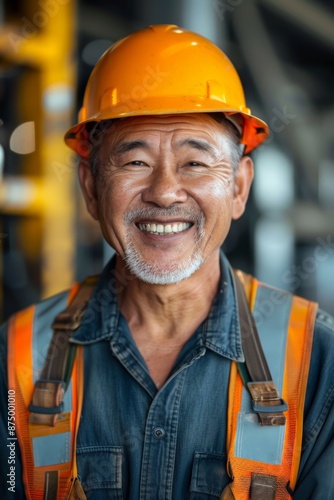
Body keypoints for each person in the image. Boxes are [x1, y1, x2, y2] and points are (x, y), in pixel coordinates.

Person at [0, 24, 333, 500]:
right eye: (134, 162)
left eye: (195, 163)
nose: (164, 192)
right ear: (91, 189)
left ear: (238, 187)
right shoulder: (17, 359)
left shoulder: (319, 363)